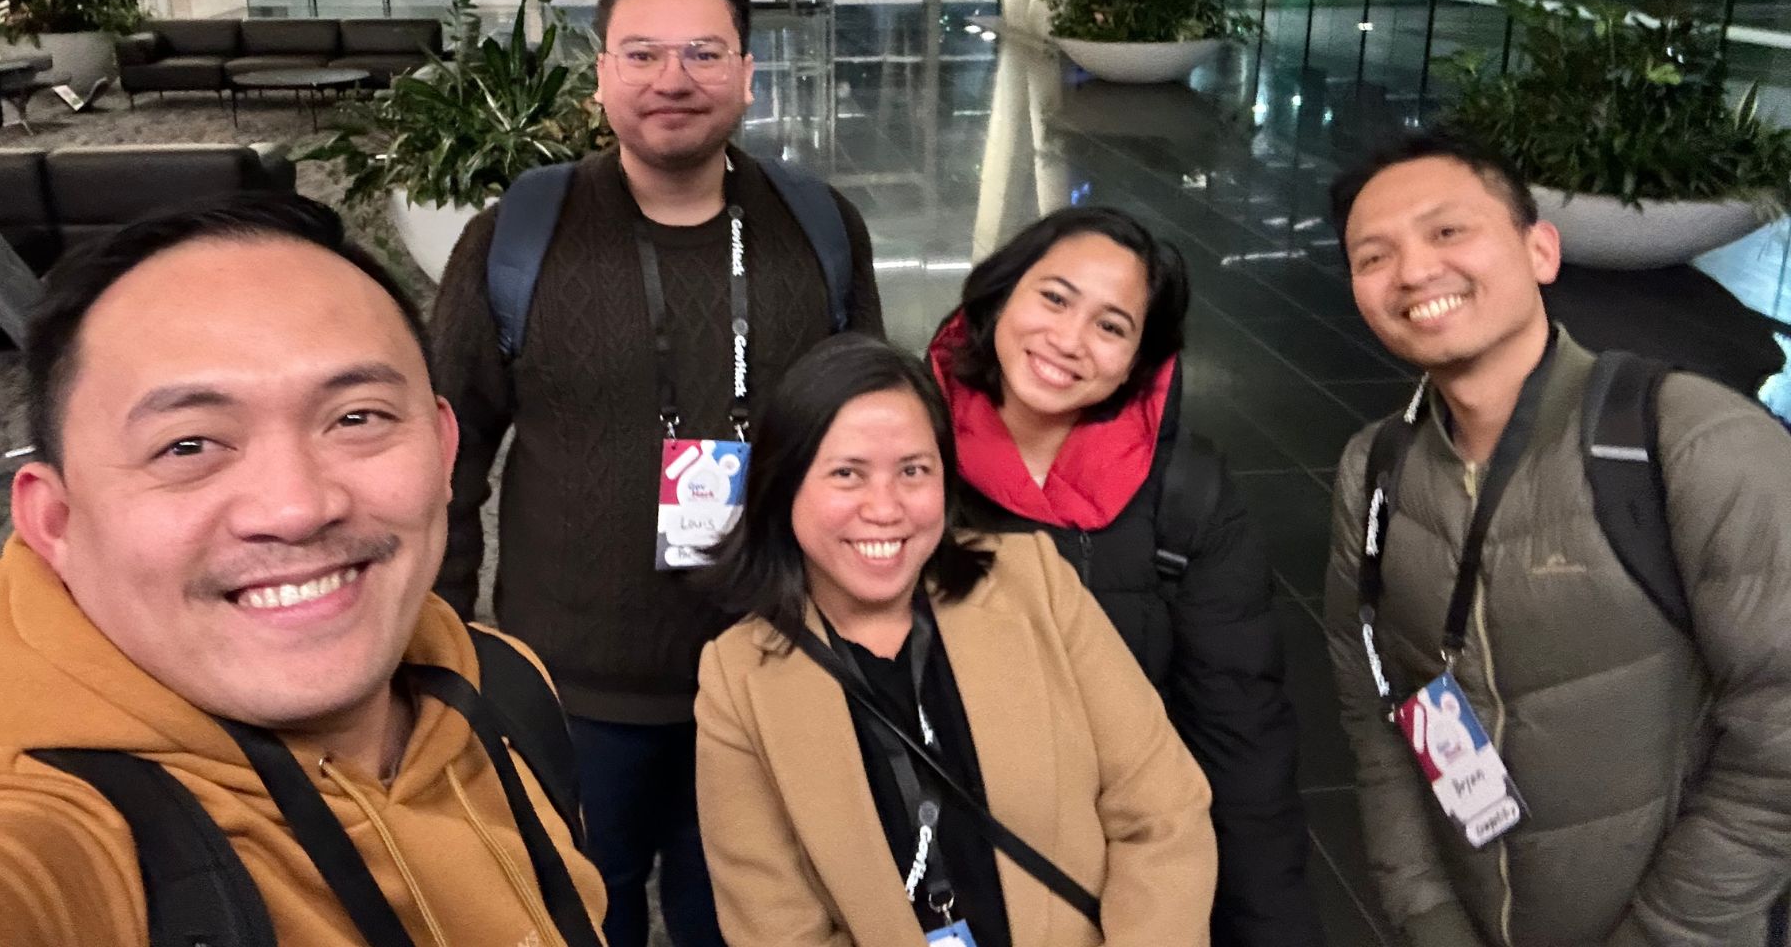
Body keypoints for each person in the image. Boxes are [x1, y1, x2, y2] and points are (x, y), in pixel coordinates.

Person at [0, 195, 606, 945]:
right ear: (55, 521)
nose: (296, 508)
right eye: (187, 445)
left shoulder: (505, 687)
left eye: (358, 417)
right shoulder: (22, 824)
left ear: (444, 450)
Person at [431, 0, 883, 947]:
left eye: (702, 53)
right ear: (601, 73)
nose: (671, 79)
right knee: (582, 913)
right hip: (572, 685)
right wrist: (437, 653)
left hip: (773, 667)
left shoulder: (817, 230)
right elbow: (441, 459)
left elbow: (864, 446)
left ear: (747, 73)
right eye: (641, 53)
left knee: (748, 921)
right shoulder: (518, 236)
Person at [1324, 132, 1791, 947]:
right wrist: (1427, 914)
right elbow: (1377, 705)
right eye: (1374, 256)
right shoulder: (1376, 469)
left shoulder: (1687, 441)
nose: (1414, 270)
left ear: (1541, 250)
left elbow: (1779, 740)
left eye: (1447, 231)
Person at [695, 333, 1217, 947]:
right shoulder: (738, 680)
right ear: (783, 486)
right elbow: (778, 928)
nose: (885, 508)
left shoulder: (1035, 585)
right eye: (847, 474)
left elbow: (1162, 812)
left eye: (913, 471)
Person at [925, 206, 1320, 946]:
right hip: (943, 871)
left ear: (1142, 358)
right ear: (999, 296)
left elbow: (1241, 744)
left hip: (1129, 880)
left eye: (1111, 326)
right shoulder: (904, 463)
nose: (1069, 339)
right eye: (1054, 298)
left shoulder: (1186, 497)